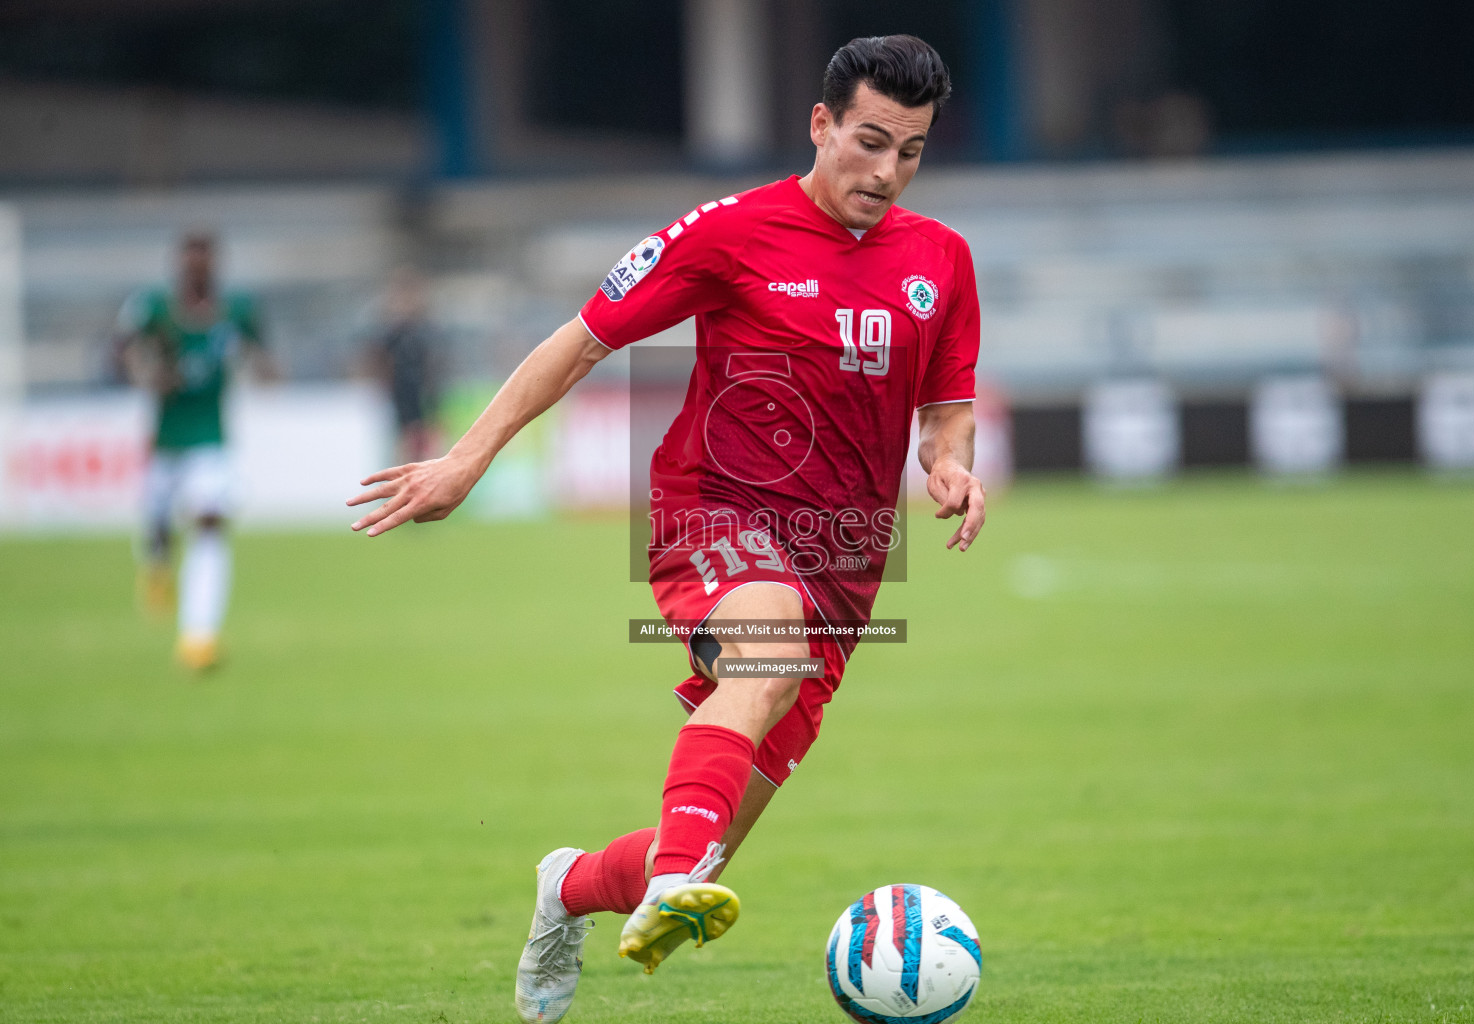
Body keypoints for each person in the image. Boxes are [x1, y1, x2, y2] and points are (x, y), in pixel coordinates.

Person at [347, 35, 985, 1024]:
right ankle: (670, 883)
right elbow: (582, 339)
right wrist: (467, 458)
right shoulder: (730, 233)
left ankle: (572, 887)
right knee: (764, 659)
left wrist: (951, 464)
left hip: (849, 567)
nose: (886, 170)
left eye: (909, 151)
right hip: (716, 510)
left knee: (715, 829)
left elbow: (948, 407)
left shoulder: (941, 259)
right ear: (819, 125)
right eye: (869, 141)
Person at [114, 231, 270, 671]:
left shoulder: (236, 311)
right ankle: (157, 566)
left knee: (208, 525)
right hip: (166, 439)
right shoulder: (154, 309)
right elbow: (121, 353)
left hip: (211, 440)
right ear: (180, 265)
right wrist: (147, 376)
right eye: (191, 260)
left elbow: (263, 354)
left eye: (205, 261)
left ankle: (199, 638)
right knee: (159, 528)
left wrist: (265, 369)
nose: (198, 268)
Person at [367, 267, 443, 464]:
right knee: (403, 441)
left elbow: (434, 362)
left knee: (427, 439)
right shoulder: (391, 332)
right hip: (401, 393)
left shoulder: (426, 329)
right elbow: (379, 359)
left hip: (425, 392)